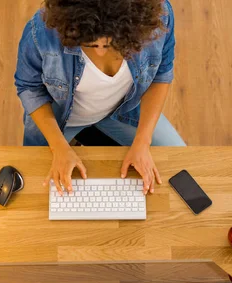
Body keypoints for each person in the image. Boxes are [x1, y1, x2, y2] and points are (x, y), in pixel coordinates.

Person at [15, 0, 185, 197]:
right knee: (36, 190)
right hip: (62, 119)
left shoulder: (159, 17)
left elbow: (161, 75)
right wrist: (58, 146)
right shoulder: (43, 31)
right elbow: (30, 88)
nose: (100, 52)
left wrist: (142, 142)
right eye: (90, 44)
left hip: (124, 110)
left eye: (111, 44)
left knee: (179, 159)